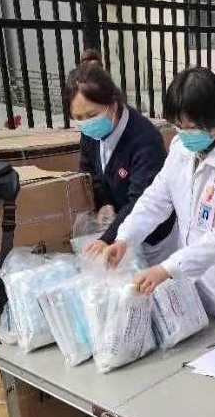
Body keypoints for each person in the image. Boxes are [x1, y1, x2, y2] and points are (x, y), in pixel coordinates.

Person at [103, 66, 215, 329]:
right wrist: (125, 238)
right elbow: (156, 199)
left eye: (192, 127)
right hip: (192, 285)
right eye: (178, 126)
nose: (184, 133)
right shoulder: (180, 146)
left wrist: (167, 269)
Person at [64, 49, 178, 265]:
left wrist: (107, 239)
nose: (86, 122)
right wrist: (104, 203)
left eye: (92, 115)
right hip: (115, 229)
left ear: (113, 104)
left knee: (150, 278)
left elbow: (143, 200)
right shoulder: (90, 133)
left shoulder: (144, 139)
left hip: (151, 236)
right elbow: (89, 171)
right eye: (78, 117)